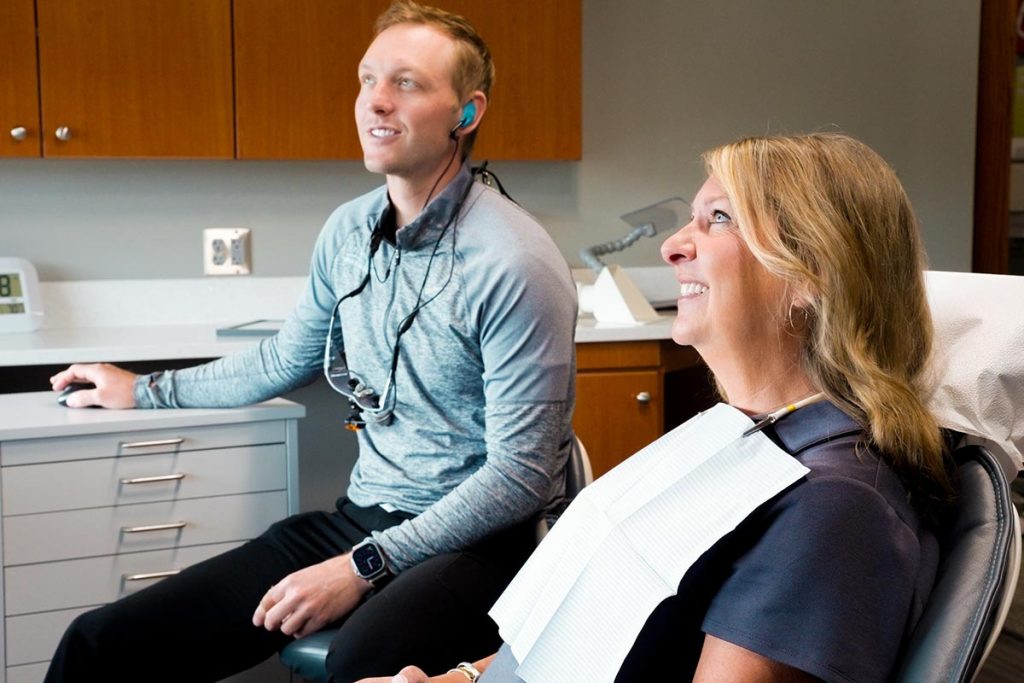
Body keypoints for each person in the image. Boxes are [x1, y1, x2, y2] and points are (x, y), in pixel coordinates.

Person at [44, 2, 576, 682]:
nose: (376, 102)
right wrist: (144, 389)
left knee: (359, 662)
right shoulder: (350, 232)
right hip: (362, 517)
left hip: (480, 544)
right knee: (101, 641)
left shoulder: (512, 260)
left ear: (466, 114)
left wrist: (361, 568)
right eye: (367, 79)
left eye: (407, 83)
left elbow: (520, 478)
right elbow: (284, 357)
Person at [359, 132, 953, 683]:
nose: (672, 246)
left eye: (719, 219)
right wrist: (461, 678)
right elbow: (590, 637)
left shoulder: (832, 504)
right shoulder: (750, 439)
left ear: (812, 274)